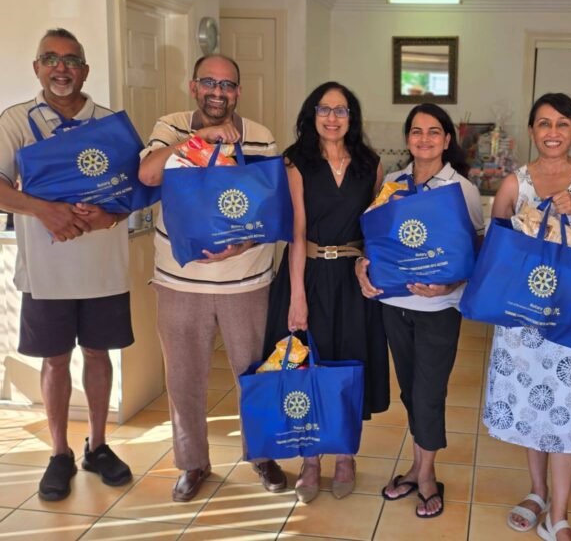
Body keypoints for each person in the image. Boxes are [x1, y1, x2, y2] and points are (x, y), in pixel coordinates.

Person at [138, 54, 286, 501]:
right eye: (209, 82)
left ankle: (262, 455)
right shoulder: (170, 126)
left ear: (238, 91)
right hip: (180, 281)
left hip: (247, 280)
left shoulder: (260, 136)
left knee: (255, 376)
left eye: (227, 85)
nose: (218, 92)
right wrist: (197, 139)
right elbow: (147, 173)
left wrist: (243, 244)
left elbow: (270, 208)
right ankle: (193, 462)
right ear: (193, 86)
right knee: (184, 379)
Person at [0, 28, 134, 501]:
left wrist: (110, 216)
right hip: (46, 270)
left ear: (85, 70)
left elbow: (134, 189)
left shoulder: (111, 123)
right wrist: (44, 210)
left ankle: (98, 446)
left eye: (72, 60)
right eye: (51, 59)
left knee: (99, 354)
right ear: (37, 68)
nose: (62, 68)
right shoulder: (16, 121)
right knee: (55, 360)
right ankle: (59, 453)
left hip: (103, 266)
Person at [486, 93, 571, 541]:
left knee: (566, 406)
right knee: (533, 402)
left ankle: (558, 515)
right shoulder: (515, 183)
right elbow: (495, 254)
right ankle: (537, 491)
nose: (553, 132)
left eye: (563, 123)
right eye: (544, 123)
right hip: (525, 318)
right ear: (532, 130)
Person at [356, 103, 484, 518]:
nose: (424, 139)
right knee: (411, 391)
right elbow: (379, 240)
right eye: (416, 131)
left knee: (429, 392)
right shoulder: (392, 183)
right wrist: (363, 264)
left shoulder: (460, 189)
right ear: (408, 139)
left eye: (433, 132)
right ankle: (416, 466)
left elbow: (478, 250)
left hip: (438, 308)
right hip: (394, 304)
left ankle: (426, 476)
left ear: (446, 140)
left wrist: (451, 284)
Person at [265, 81, 390, 503]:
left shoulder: (370, 164)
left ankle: (345, 457)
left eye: (341, 110)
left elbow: (374, 228)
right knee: (307, 368)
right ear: (312, 114)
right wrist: (297, 296)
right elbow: (297, 233)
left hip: (352, 280)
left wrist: (368, 267)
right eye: (324, 109)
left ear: (352, 117)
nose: (332, 118)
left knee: (348, 368)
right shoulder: (296, 160)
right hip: (309, 274)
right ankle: (311, 459)